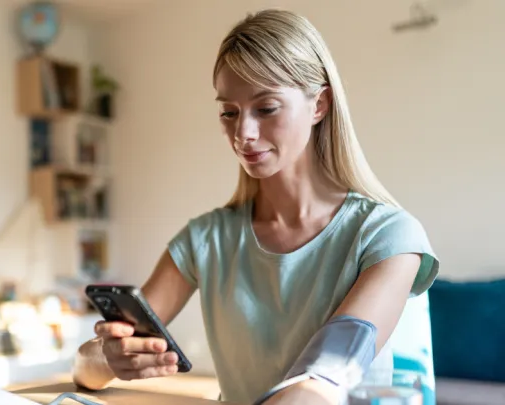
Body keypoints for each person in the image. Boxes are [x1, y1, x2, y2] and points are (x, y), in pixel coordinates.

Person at [72, 8, 439, 405]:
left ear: (319, 105)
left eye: (266, 108)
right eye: (229, 112)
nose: (242, 133)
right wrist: (108, 357)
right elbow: (86, 368)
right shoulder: (204, 240)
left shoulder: (391, 237)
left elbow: (324, 377)